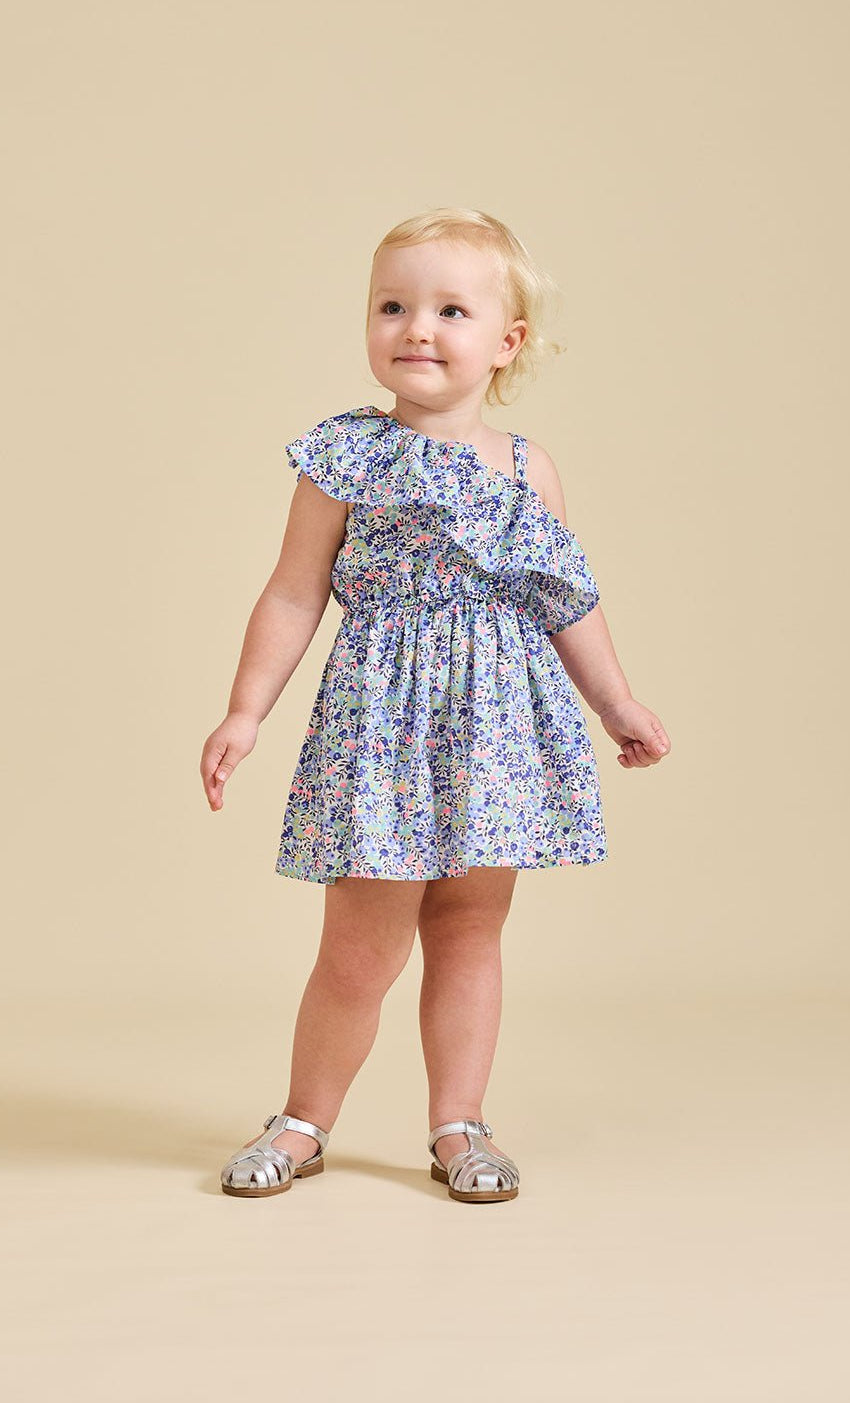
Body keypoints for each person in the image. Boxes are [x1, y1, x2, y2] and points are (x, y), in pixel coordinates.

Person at [200, 207, 670, 1204]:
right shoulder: (346, 456)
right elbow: (293, 592)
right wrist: (246, 710)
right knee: (359, 947)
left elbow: (564, 596)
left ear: (507, 342)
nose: (417, 327)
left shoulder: (528, 469)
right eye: (393, 306)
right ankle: (303, 1119)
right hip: (380, 729)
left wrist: (616, 699)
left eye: (451, 310)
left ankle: (460, 1121)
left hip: (492, 734)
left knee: (468, 930)